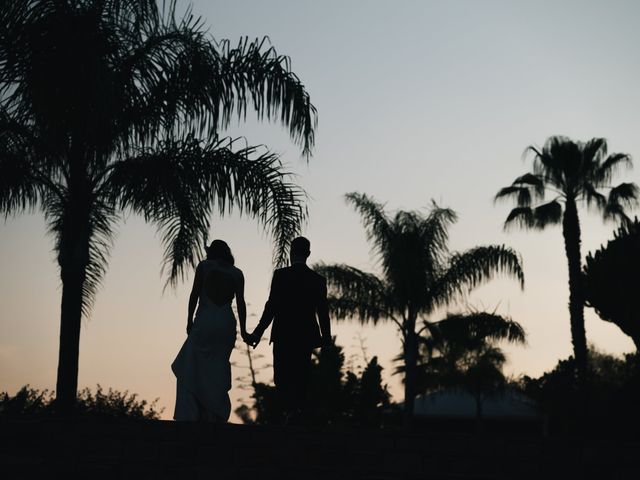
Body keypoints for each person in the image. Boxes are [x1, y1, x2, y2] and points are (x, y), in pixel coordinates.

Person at [248, 236, 332, 423]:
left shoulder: (281, 275)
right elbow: (323, 312)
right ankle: (296, 412)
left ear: (290, 252)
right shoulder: (318, 280)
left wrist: (258, 332)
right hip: (305, 336)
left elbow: (271, 307)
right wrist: (326, 339)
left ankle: (288, 411)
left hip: (283, 335)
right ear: (308, 254)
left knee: (282, 376)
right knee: (301, 375)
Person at [171, 240, 251, 422]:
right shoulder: (237, 273)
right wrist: (244, 331)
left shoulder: (204, 267)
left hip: (205, 321)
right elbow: (241, 303)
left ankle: (191, 412)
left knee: (190, 362)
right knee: (218, 367)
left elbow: (194, 294)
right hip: (226, 324)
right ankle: (214, 412)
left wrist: (189, 320)